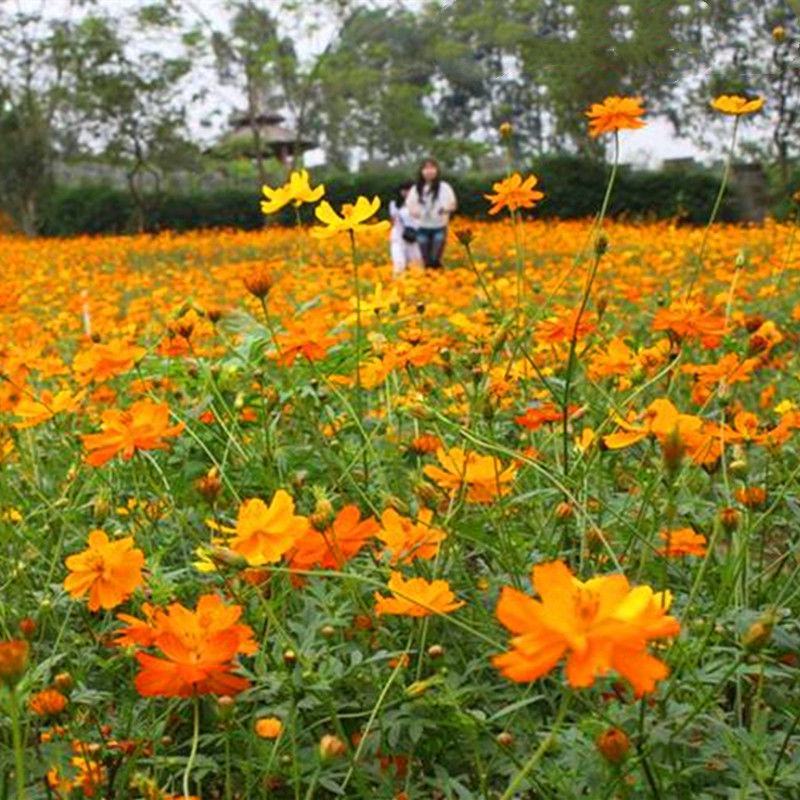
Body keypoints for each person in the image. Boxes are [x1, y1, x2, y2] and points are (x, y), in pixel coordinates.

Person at [405, 158, 457, 268]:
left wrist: (444, 209)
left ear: (437, 170)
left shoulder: (445, 187)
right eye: (426, 168)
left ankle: (438, 279)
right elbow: (409, 206)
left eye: (432, 168)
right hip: (422, 228)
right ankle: (431, 280)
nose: (429, 171)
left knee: (435, 258)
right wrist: (415, 212)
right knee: (426, 260)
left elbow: (453, 204)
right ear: (421, 171)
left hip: (439, 227)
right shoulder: (416, 189)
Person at [388, 181, 421, 278]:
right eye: (404, 190)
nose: (407, 192)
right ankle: (398, 286)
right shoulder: (394, 204)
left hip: (415, 238)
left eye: (409, 190)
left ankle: (416, 286)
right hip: (398, 237)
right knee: (399, 263)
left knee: (416, 265)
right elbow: (393, 221)